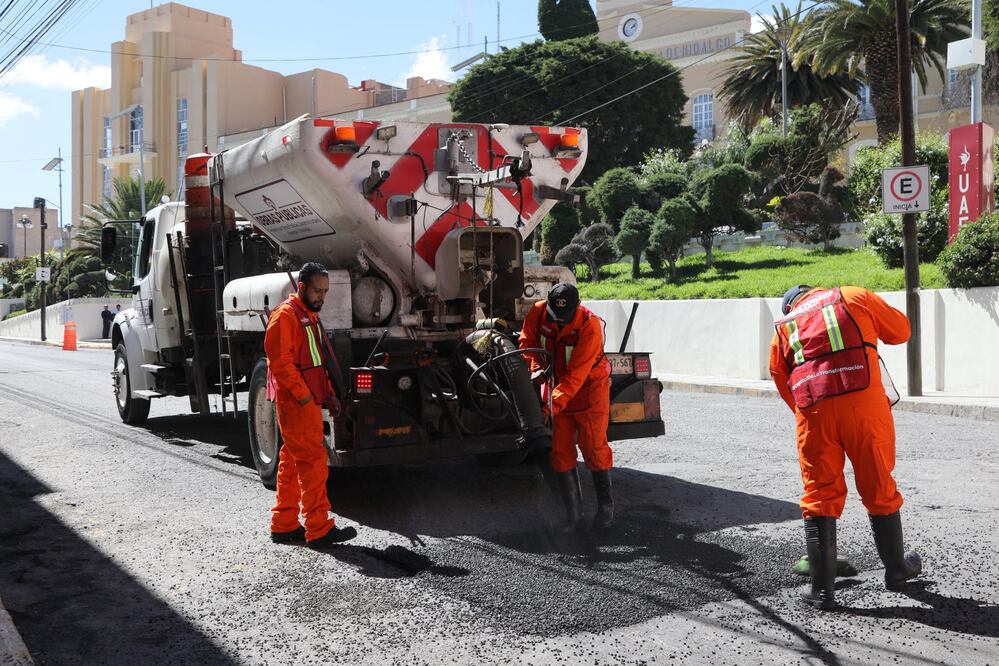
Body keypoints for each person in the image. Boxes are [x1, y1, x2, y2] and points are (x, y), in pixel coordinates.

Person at [770, 284, 922, 610]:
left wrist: (812, 415)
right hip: (864, 404)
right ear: (814, 291)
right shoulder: (852, 295)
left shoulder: (783, 329)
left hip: (813, 414)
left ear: (791, 307)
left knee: (819, 494)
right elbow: (900, 331)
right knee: (878, 484)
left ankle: (822, 592)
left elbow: (783, 383)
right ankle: (897, 571)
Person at [264, 262, 356, 549]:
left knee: (292, 462)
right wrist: (305, 397)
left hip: (305, 402)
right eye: (318, 290)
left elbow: (318, 361)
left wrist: (327, 394)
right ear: (301, 287)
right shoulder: (286, 317)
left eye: (325, 292)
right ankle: (318, 529)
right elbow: (280, 364)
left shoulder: (307, 316)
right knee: (314, 463)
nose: (322, 297)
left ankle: (284, 524)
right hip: (297, 405)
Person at [519, 283, 614, 532]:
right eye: (555, 315)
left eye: (565, 316)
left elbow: (576, 377)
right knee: (560, 451)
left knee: (593, 446)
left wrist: (549, 407)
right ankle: (574, 517)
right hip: (557, 389)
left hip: (589, 391)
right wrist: (535, 367)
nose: (559, 321)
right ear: (549, 305)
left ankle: (605, 511)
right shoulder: (538, 313)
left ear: (577, 308)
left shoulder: (589, 326)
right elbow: (526, 343)